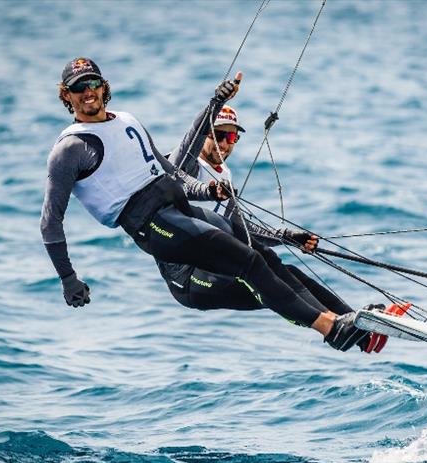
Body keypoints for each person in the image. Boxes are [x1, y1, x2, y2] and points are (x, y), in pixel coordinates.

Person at [40, 57, 377, 352]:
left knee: (264, 257)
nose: (88, 92)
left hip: (177, 207)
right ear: (66, 95)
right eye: (78, 87)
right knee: (248, 262)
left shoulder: (127, 120)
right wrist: (68, 278)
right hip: (152, 224)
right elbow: (50, 221)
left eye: (93, 83)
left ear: (103, 86)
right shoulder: (70, 148)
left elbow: (169, 171)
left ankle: (355, 326)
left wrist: (206, 191)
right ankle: (332, 329)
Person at [154, 105, 387, 352]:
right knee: (264, 281)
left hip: (222, 266)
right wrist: (216, 102)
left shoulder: (226, 176)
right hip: (191, 279)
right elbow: (187, 149)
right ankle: (335, 330)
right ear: (205, 134)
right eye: (218, 135)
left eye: (231, 137)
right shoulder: (184, 167)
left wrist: (286, 237)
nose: (224, 144)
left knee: (289, 274)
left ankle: (358, 330)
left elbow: (241, 229)